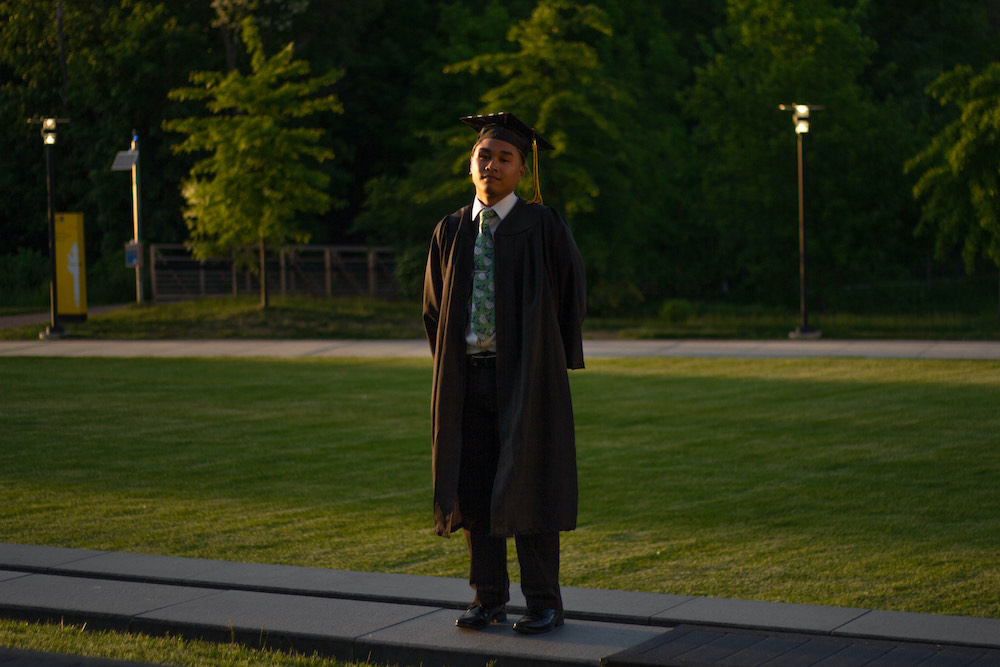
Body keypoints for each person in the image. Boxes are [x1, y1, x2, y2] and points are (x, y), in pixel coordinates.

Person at [422, 112, 586, 635]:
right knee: (473, 489)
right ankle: (487, 598)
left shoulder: (544, 225)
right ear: (471, 166)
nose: (492, 165)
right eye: (483, 157)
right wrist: (453, 362)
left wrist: (543, 360)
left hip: (527, 381)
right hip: (467, 380)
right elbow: (433, 309)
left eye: (504, 158)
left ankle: (544, 602)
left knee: (530, 485)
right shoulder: (450, 231)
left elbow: (570, 295)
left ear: (522, 172)